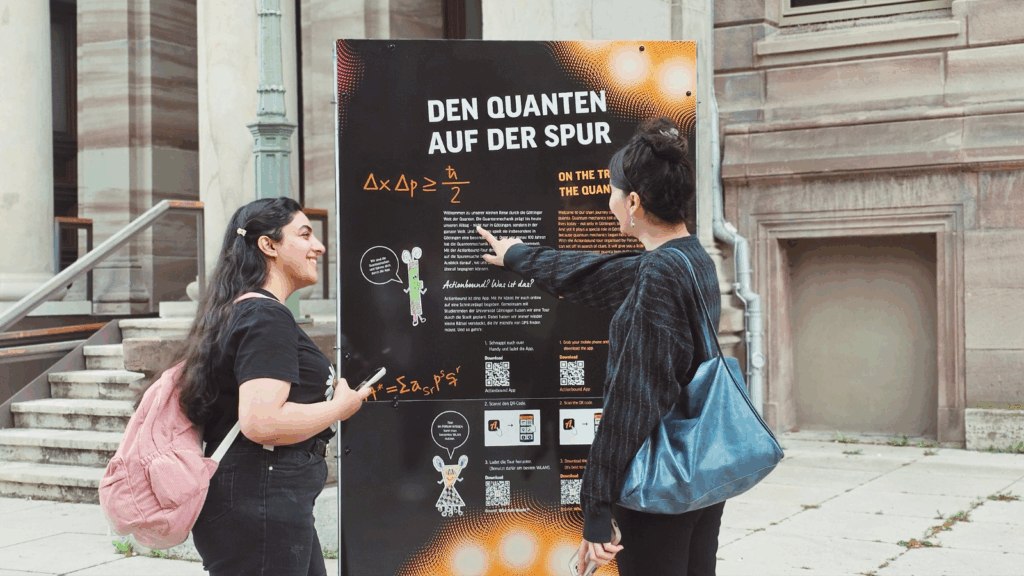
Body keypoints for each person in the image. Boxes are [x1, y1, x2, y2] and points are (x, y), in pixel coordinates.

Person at [478, 117, 724, 576]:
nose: (608, 202)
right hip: (699, 470)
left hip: (659, 483)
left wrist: (596, 509)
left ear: (633, 201)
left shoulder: (659, 273)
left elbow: (633, 398)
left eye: (612, 192)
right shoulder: (690, 258)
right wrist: (518, 255)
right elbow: (597, 274)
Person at [175, 197, 372, 576]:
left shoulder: (243, 309)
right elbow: (262, 422)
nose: (319, 246)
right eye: (304, 234)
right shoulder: (266, 315)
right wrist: (341, 407)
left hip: (264, 499)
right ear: (269, 246)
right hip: (261, 499)